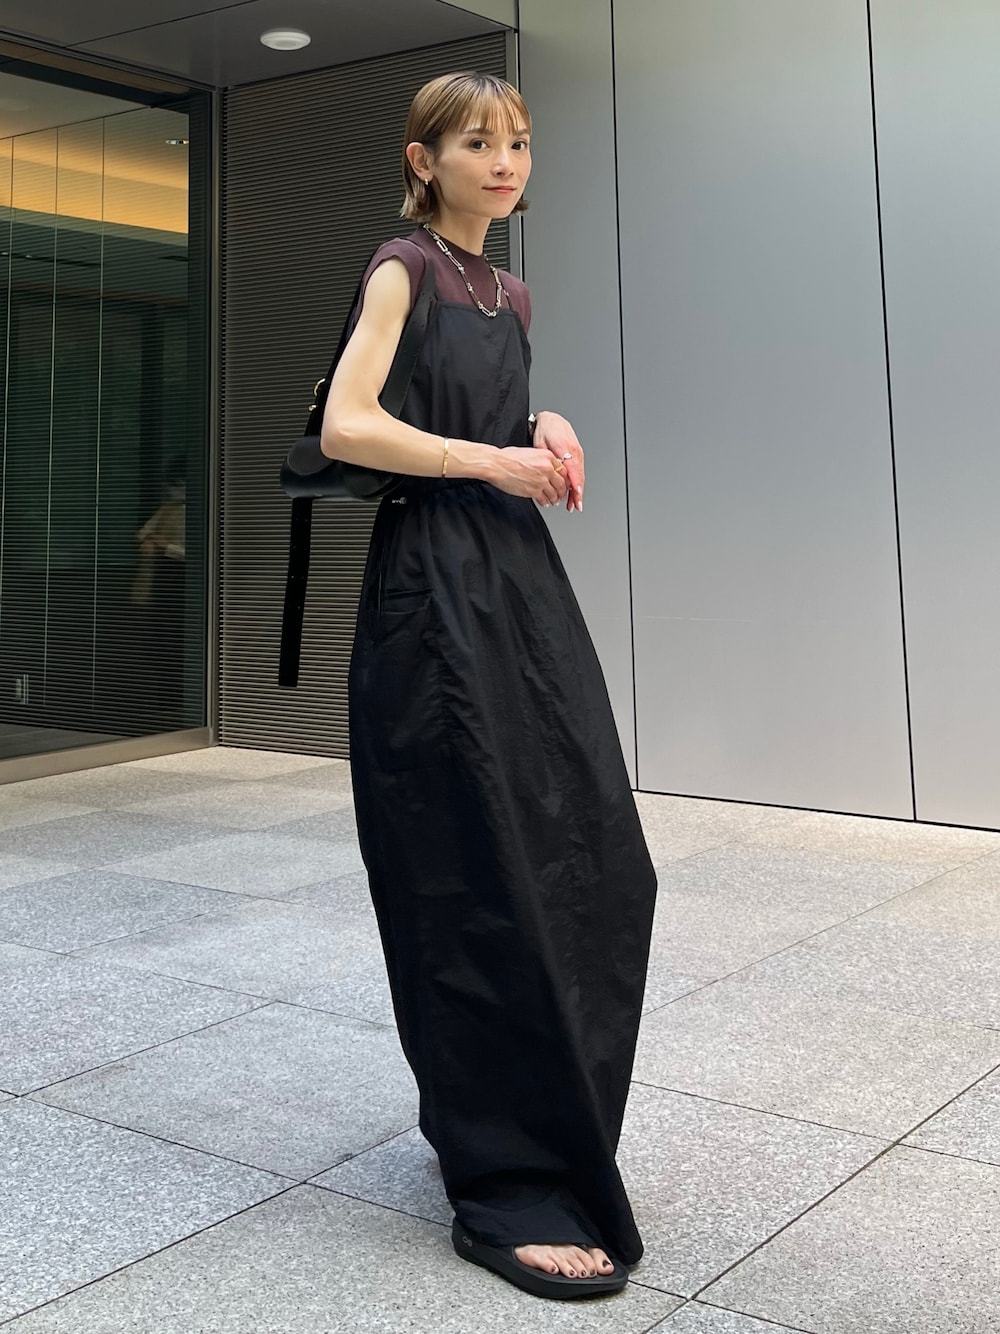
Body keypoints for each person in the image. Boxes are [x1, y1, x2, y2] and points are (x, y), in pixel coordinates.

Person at [322, 71, 657, 1301]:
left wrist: (542, 423)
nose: (505, 161)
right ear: (424, 160)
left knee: (598, 860)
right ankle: (503, 1182)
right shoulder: (401, 266)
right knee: (471, 869)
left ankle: (552, 1134)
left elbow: (480, 406)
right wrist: (491, 458)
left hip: (514, 581)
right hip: (433, 588)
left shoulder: (509, 289)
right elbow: (350, 424)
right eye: (477, 142)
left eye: (518, 140)